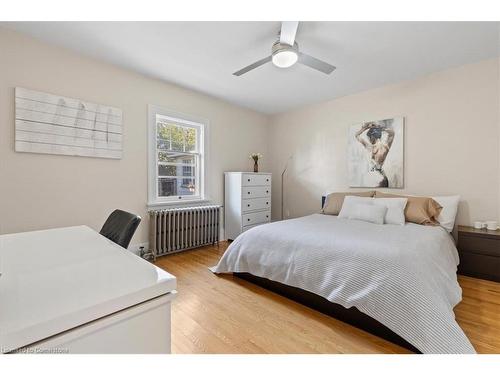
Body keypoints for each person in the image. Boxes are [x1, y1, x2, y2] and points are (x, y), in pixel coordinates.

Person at [355, 121, 395, 187]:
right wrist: (379, 127)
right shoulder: (386, 146)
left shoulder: (370, 147)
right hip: (381, 177)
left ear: (372, 137)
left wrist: (365, 128)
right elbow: (392, 133)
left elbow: (356, 135)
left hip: (376, 178)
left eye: (369, 138)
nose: (369, 140)